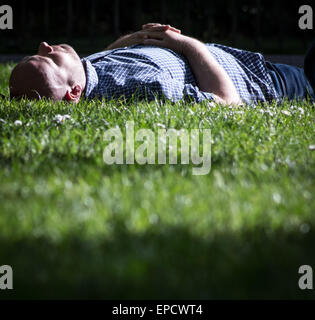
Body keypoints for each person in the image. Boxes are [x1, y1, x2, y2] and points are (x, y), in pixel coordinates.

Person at [8, 23, 315, 105]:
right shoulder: (145, 88)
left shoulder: (84, 75)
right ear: (73, 93)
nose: (44, 45)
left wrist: (141, 36)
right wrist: (186, 43)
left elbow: (105, 59)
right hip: (266, 81)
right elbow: (227, 101)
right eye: (47, 58)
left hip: (246, 63)